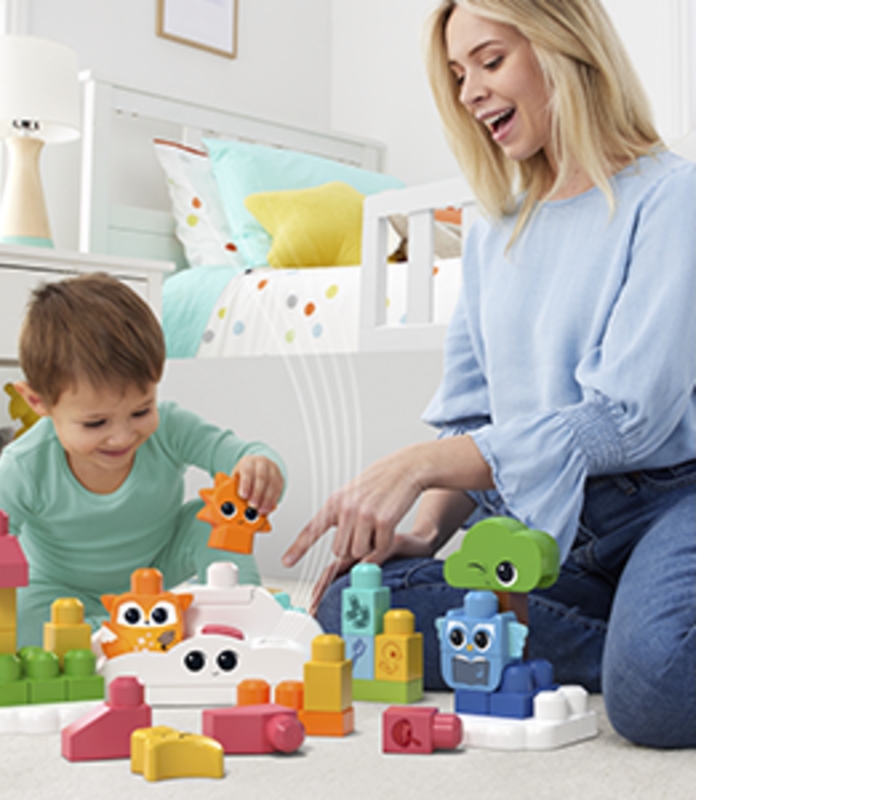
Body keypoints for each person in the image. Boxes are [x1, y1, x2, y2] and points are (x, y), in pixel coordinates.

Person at [282, 0, 694, 749]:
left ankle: (648, 645)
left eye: (491, 61)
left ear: (566, 49)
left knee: (655, 694)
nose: (470, 92)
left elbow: (626, 420)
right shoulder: (492, 230)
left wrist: (417, 463)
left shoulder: (673, 197)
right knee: (349, 606)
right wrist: (425, 530)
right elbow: (473, 417)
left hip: (669, 503)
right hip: (543, 523)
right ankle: (642, 629)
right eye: (457, 73)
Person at [0, 272, 285, 714]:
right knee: (20, 632)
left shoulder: (169, 427)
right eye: (96, 423)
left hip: (156, 567)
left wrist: (258, 466)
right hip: (59, 592)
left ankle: (241, 623)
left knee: (209, 524)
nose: (123, 436)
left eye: (141, 410)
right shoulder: (26, 464)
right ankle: (121, 634)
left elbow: (242, 453)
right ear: (38, 402)